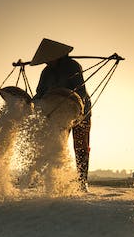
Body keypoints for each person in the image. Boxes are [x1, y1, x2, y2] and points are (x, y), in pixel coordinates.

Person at [31, 38, 92, 191]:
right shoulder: (46, 72)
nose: (46, 62)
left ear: (56, 55)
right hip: (58, 113)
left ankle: (82, 181)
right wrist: (30, 103)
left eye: (48, 59)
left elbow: (81, 92)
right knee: (58, 146)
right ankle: (56, 181)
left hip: (79, 110)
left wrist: (79, 110)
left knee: (81, 146)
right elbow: (40, 93)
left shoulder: (72, 66)